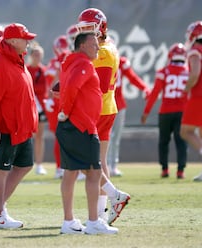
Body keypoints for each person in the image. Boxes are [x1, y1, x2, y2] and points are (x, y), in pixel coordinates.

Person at [56, 31, 118, 235]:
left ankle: (69, 222)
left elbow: (64, 87)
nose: (97, 48)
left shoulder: (71, 61)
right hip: (82, 127)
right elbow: (72, 87)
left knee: (71, 173)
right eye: (93, 45)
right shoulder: (83, 63)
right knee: (94, 173)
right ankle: (93, 221)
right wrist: (65, 110)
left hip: (75, 126)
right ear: (82, 45)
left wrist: (65, 111)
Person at [0, 23, 38, 229]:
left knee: (25, 165)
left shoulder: (16, 59)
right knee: (0, 171)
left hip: (20, 127)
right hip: (3, 128)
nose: (29, 42)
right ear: (13, 41)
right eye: (25, 38)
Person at [77, 8, 130, 225]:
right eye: (83, 29)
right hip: (105, 108)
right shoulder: (103, 48)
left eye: (90, 28)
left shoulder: (104, 52)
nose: (86, 34)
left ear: (101, 28)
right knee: (99, 161)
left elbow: (97, 85)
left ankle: (114, 194)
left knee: (83, 159)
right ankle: (100, 212)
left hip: (97, 109)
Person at [141, 43, 188, 179]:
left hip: (166, 112)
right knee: (181, 141)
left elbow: (155, 93)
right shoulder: (189, 71)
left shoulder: (163, 72)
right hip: (182, 112)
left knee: (163, 141)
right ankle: (180, 171)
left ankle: (165, 169)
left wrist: (146, 112)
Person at [109, 55, 151, 177]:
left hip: (118, 104)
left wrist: (144, 87)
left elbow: (132, 77)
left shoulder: (120, 62)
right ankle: (102, 165)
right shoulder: (95, 59)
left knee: (115, 138)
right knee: (103, 137)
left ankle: (112, 166)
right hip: (103, 104)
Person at [44, 35, 70, 179]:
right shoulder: (61, 60)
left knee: (63, 136)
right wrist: (48, 97)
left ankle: (63, 167)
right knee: (62, 136)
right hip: (57, 101)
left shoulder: (54, 62)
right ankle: (61, 167)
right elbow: (53, 84)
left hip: (55, 101)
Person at [180, 21, 202, 182]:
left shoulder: (196, 51)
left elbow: (194, 74)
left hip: (198, 96)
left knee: (185, 131)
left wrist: (186, 88)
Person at [27, 42, 48, 175]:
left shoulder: (43, 71)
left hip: (40, 106)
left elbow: (43, 89)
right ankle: (24, 163)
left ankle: (39, 164)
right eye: (35, 55)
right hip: (28, 105)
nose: (37, 57)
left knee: (39, 136)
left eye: (39, 55)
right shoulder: (26, 69)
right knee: (25, 135)